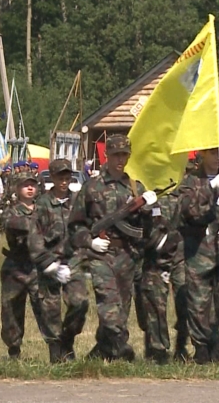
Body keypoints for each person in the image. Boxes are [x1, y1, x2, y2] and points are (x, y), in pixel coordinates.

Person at [68, 134, 157, 361]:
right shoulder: (92, 187)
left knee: (122, 310)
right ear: (106, 155)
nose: (120, 159)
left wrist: (150, 209)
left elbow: (147, 229)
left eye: (124, 154)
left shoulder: (135, 188)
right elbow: (75, 225)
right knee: (109, 307)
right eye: (116, 154)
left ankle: (101, 353)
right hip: (101, 255)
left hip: (127, 255)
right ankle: (123, 350)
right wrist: (90, 242)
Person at [179, 142, 219, 364]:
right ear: (203, 154)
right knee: (198, 302)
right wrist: (209, 188)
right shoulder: (191, 181)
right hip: (198, 248)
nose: (218, 158)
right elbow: (185, 208)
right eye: (212, 153)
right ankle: (202, 348)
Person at [29, 158, 88, 363]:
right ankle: (57, 353)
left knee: (80, 302)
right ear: (52, 178)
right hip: (50, 261)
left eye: (67, 176)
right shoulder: (43, 204)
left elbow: (86, 226)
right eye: (59, 177)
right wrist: (47, 263)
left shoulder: (77, 201)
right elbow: (34, 236)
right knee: (50, 310)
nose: (64, 181)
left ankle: (68, 339)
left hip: (73, 260)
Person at [137, 185, 187, 364]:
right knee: (154, 302)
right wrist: (145, 208)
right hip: (155, 258)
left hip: (182, 255)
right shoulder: (141, 189)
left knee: (187, 300)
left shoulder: (186, 189)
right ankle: (157, 351)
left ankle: (182, 346)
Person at [0, 170, 45, 359]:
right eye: (25, 185)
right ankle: (14, 350)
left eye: (32, 184)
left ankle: (56, 349)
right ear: (17, 188)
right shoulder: (11, 211)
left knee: (45, 308)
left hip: (38, 266)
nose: (29, 188)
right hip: (16, 266)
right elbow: (14, 224)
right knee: (11, 310)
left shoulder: (43, 209)